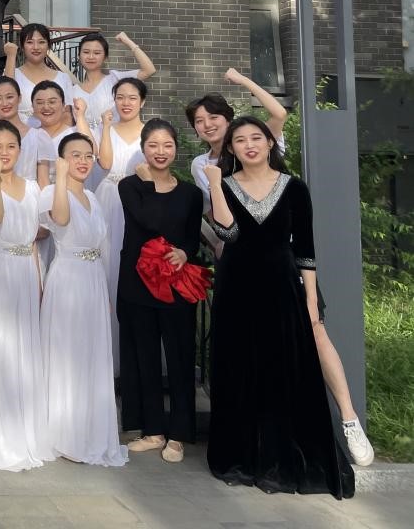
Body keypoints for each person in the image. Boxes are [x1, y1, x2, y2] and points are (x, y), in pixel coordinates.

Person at [186, 71, 374, 467]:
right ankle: (254, 441)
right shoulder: (204, 166)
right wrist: (216, 200)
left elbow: (277, 114)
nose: (207, 125)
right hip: (239, 269)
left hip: (285, 271)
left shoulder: (283, 174)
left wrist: (241, 79)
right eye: (199, 121)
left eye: (213, 117)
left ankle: (349, 418)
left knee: (314, 333)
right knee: (246, 354)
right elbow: (222, 227)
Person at [203, 117, 355, 498]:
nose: (250, 145)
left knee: (281, 368)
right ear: (231, 148)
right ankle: (240, 457)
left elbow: (305, 250)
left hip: (281, 287)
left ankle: (280, 458)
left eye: (257, 137)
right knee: (238, 369)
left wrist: (310, 303)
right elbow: (228, 233)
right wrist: (216, 185)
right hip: (236, 288)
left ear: (270, 143)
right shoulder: (226, 185)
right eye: (240, 140)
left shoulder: (294, 188)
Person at [117, 120, 203, 465]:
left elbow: (190, 237)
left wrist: (185, 252)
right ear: (143, 149)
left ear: (176, 149)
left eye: (167, 145)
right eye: (153, 145)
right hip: (137, 285)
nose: (160, 152)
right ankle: (152, 430)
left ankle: (178, 435)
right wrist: (149, 184)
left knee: (180, 359)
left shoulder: (191, 193)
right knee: (144, 358)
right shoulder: (129, 187)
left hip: (175, 284)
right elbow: (152, 222)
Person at [0, 121, 51, 471]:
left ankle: (23, 427)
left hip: (25, 271)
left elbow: (36, 237)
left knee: (22, 350)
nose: (4, 153)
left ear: (20, 150)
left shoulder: (32, 188)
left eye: (10, 146)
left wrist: (39, 282)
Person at [39, 133, 127, 467]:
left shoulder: (92, 195)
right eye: (74, 155)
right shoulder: (51, 192)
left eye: (88, 155)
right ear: (62, 160)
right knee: (68, 353)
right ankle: (64, 433)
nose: (83, 161)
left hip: (92, 281)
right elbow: (60, 219)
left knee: (91, 354)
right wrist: (59, 178)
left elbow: (101, 246)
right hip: (67, 278)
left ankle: (89, 430)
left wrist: (104, 289)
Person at [93, 76, 148, 371]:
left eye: (132, 97)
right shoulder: (106, 128)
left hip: (138, 200)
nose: (125, 103)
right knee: (106, 264)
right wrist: (104, 127)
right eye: (120, 97)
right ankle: (106, 357)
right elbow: (104, 163)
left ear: (142, 102)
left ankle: (134, 357)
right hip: (108, 198)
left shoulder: (150, 132)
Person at [71, 32, 157, 140]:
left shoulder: (115, 79)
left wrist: (128, 41)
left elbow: (149, 70)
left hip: (114, 143)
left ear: (105, 57)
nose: (91, 57)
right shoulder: (72, 91)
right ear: (79, 56)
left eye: (97, 53)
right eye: (86, 52)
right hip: (84, 146)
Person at [5, 24, 74, 119]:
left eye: (41, 42)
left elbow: (68, 115)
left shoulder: (63, 78)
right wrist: (11, 56)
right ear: (22, 46)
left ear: (48, 45)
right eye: (30, 42)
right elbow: (6, 98)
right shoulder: (12, 74)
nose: (36, 47)